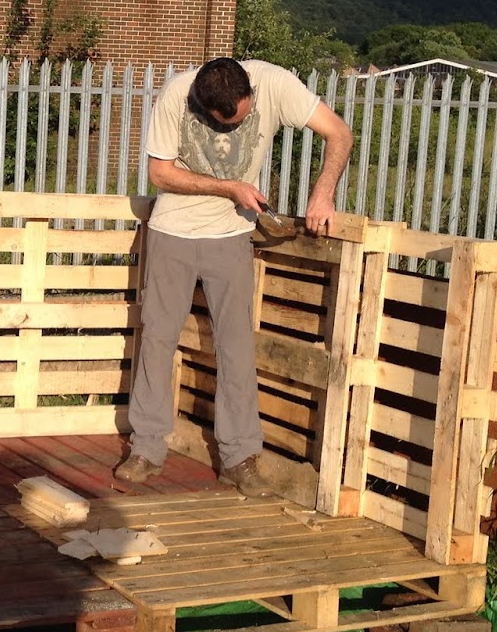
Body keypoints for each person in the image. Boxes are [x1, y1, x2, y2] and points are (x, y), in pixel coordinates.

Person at [114, 56, 353, 503]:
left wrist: (322, 194)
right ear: (204, 108)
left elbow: (339, 133)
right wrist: (229, 188)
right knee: (158, 338)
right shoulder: (175, 95)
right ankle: (146, 448)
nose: (234, 128)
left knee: (236, 346)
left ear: (249, 93)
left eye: (242, 118)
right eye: (226, 123)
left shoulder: (276, 83)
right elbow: (159, 172)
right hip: (173, 232)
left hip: (231, 236)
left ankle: (240, 458)